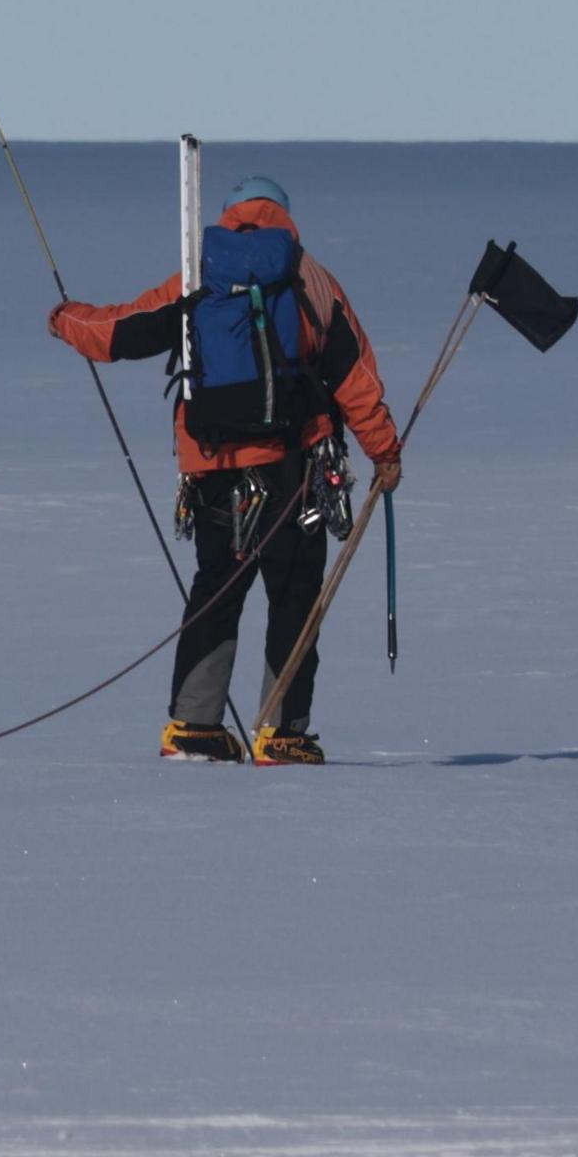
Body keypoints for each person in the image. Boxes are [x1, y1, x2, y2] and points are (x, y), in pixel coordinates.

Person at [47, 173, 400, 765]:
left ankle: (194, 728)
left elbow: (121, 332)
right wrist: (384, 453)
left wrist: (65, 319)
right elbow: (353, 378)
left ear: (231, 215)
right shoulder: (312, 279)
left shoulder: (198, 274)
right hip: (296, 469)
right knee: (293, 595)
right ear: (287, 218)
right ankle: (282, 734)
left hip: (214, 468)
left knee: (217, 590)